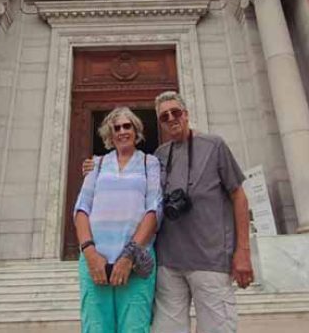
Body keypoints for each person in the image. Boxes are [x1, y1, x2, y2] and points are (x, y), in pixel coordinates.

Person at [82, 92, 254, 333]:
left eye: (176, 112)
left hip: (211, 261)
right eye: (164, 116)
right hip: (169, 265)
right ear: (159, 122)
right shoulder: (159, 157)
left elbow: (239, 196)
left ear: (186, 114)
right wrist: (95, 165)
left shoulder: (214, 146)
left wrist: (243, 251)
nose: (171, 118)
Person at [74, 107, 162, 333]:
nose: (122, 131)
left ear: (136, 130)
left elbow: (153, 210)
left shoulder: (149, 163)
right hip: (95, 260)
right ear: (110, 134)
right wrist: (90, 252)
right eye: (117, 128)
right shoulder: (98, 164)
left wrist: (128, 256)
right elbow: (82, 209)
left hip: (135, 259)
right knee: (95, 327)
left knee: (135, 327)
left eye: (127, 126)